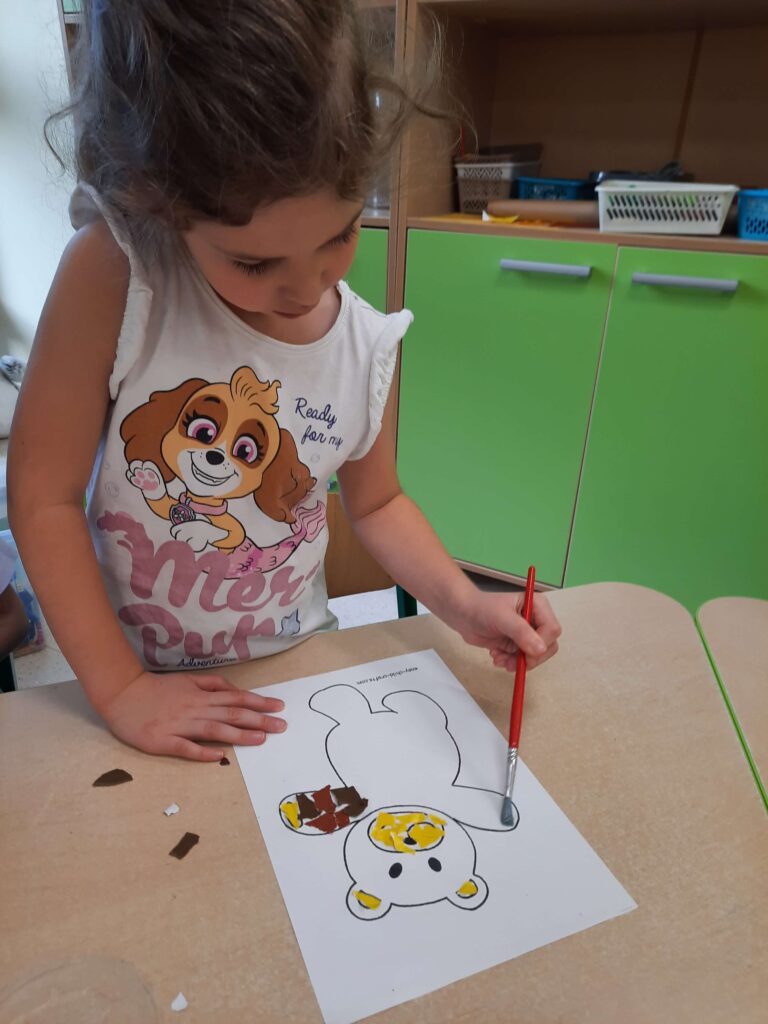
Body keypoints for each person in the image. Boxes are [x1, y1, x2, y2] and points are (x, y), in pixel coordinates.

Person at [9, 0, 561, 762]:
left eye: (341, 234)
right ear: (161, 202)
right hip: (130, 679)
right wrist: (123, 689)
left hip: (293, 674)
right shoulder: (117, 274)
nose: (307, 288)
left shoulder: (366, 344)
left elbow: (379, 503)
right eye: (253, 262)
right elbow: (42, 497)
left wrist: (466, 603)